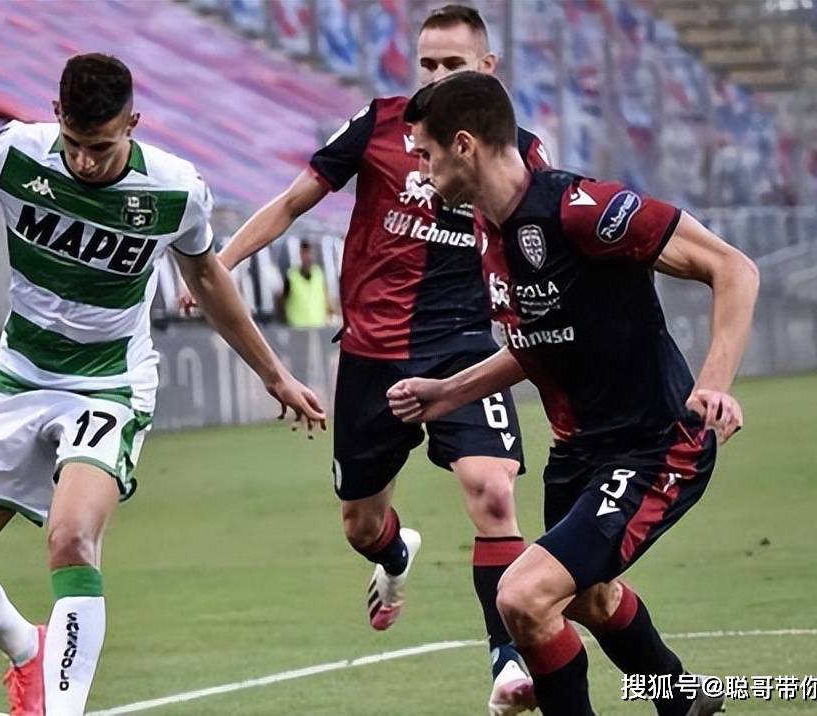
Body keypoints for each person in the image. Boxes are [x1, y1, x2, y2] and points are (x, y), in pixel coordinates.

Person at [0, 53, 326, 716]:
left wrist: (273, 372)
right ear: (57, 116)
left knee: (72, 535)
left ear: (132, 124)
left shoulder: (174, 190)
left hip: (108, 385)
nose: (85, 162)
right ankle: (28, 649)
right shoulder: (12, 154)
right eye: (75, 144)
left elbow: (205, 276)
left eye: (102, 147)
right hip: (18, 379)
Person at [185, 6, 549, 712]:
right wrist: (218, 266)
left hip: (464, 352)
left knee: (493, 493)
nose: (436, 76)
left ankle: (507, 663)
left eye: (453, 65)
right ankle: (394, 555)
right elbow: (292, 202)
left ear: (487, 69)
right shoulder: (378, 124)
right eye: (428, 63)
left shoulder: (519, 153)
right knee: (360, 524)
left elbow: (540, 245)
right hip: (371, 358)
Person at [390, 71, 758, 715]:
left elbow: (733, 267)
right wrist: (448, 393)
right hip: (578, 452)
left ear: (465, 145)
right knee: (588, 597)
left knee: (522, 597)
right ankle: (684, 699)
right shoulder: (487, 229)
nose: (418, 171)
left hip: (653, 445)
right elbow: (540, 340)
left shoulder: (582, 210)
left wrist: (713, 386)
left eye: (425, 154)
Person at [276, 239, 334, 327]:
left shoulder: (319, 274)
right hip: (296, 328)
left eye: (309, 253)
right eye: (304, 254)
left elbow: (327, 298)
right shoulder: (291, 276)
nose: (308, 257)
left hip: (318, 327)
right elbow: (281, 301)